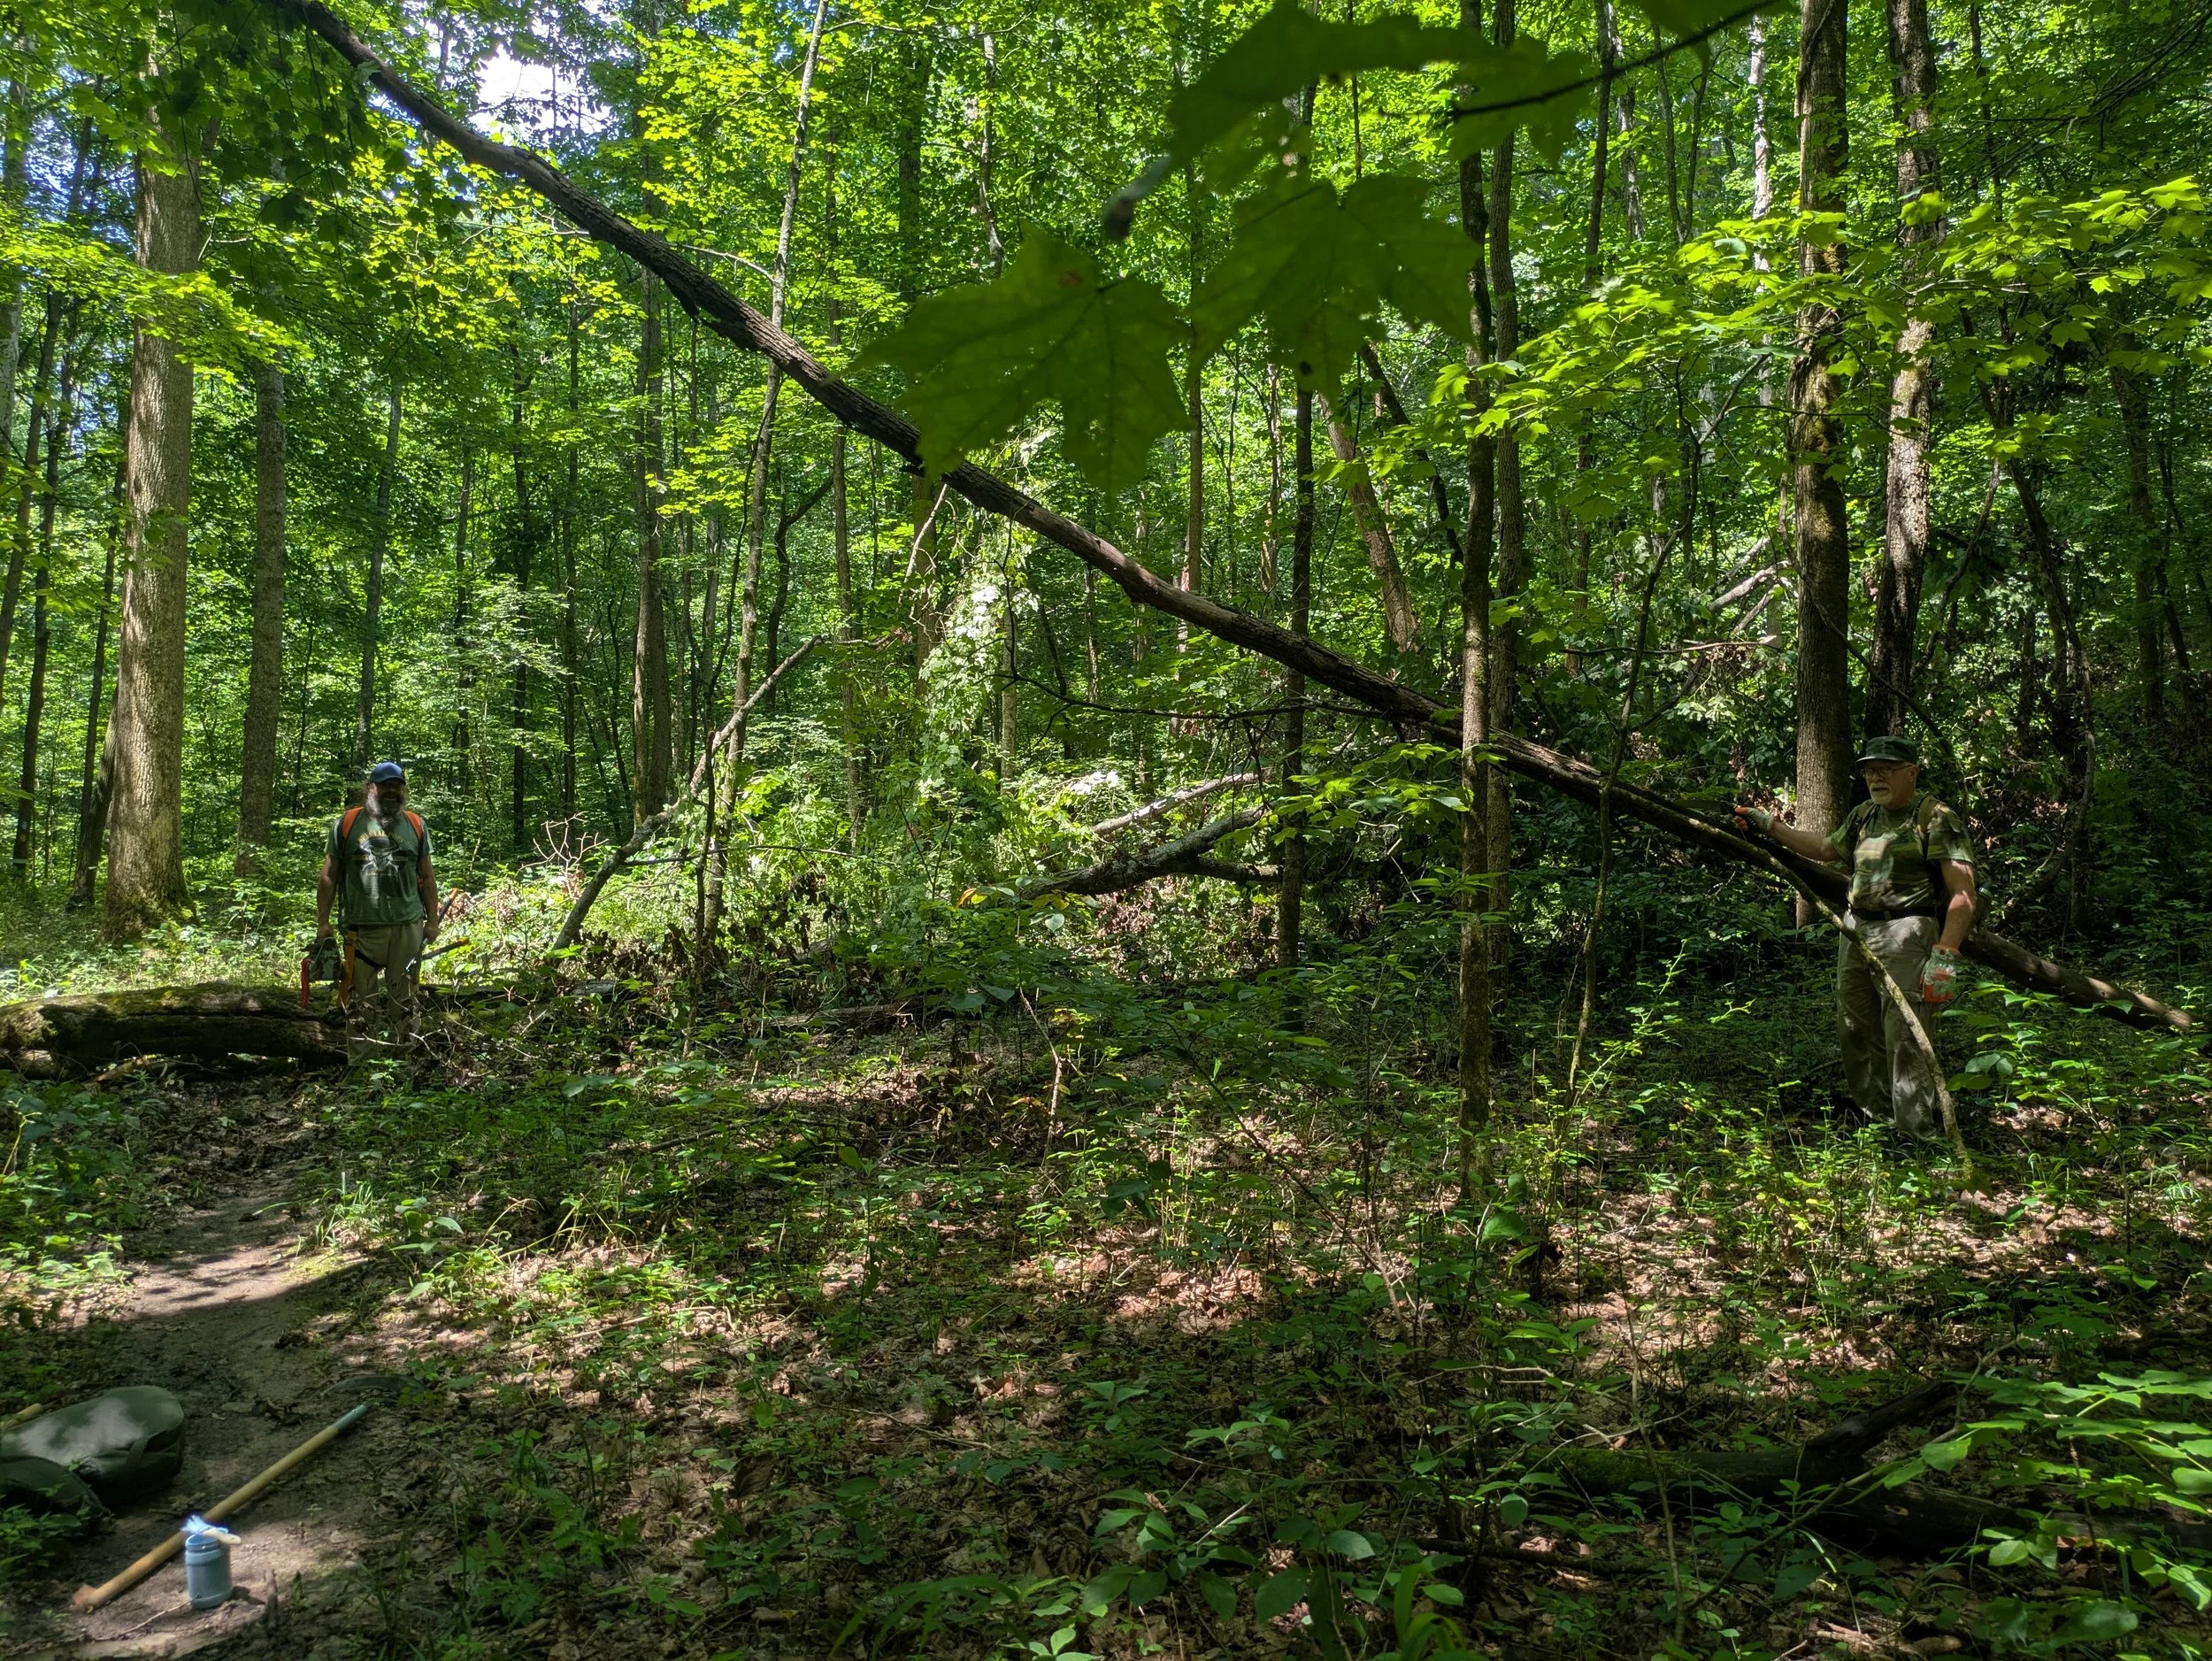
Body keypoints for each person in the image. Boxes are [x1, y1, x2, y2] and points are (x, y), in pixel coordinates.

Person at [1735, 735, 1978, 1138]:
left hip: (1908, 931)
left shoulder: (1934, 816)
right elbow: (1826, 849)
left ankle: (1915, 1134)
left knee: (1905, 1035)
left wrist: (1946, 953)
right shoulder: (1865, 814)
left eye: (1886, 769)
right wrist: (1770, 826)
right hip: (1856, 929)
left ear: (1912, 773)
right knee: (1856, 1027)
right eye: (1869, 770)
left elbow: (1964, 893)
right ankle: (1878, 1123)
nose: (1875, 777)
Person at [316, 761, 440, 1045]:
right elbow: (328, 876)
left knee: (405, 1001)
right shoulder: (346, 824)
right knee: (360, 1003)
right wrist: (322, 923)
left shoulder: (416, 825)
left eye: (397, 785)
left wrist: (431, 921)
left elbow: (427, 876)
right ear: (371, 788)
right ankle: (362, 1070)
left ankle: (406, 1062)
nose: (392, 791)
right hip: (360, 931)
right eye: (386, 785)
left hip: (407, 928)